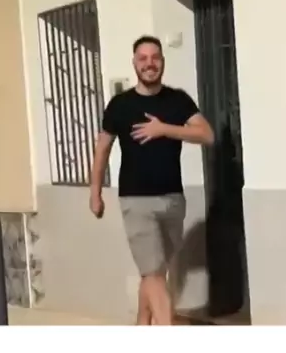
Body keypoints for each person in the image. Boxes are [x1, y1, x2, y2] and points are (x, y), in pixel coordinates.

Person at [89, 35, 214, 325]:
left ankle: (142, 325)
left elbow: (206, 134)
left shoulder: (178, 100)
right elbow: (102, 149)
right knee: (154, 273)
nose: (149, 64)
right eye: (143, 58)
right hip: (136, 200)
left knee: (155, 272)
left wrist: (164, 129)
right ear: (134, 63)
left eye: (155, 58)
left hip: (173, 199)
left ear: (162, 62)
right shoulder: (120, 105)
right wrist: (95, 192)